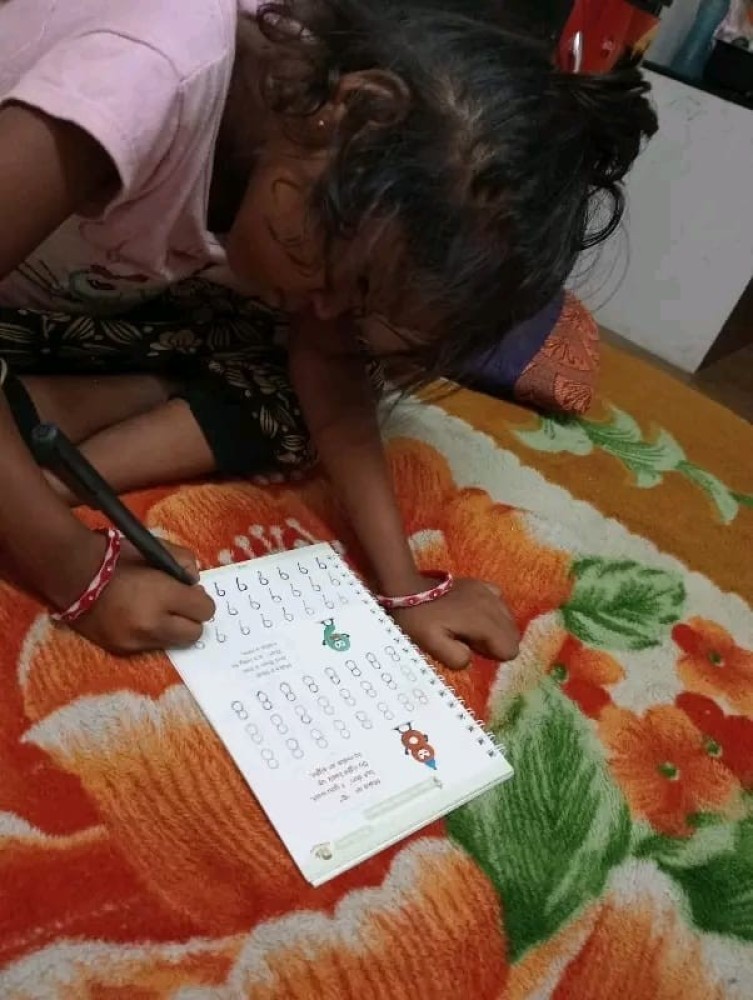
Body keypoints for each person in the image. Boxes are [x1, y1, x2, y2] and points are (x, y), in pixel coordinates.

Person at [0, 0, 657, 660]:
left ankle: (45, 469)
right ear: (350, 109)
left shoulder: (319, 161)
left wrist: (405, 587)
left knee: (304, 389)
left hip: (73, 292)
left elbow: (333, 365)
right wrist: (76, 569)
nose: (327, 311)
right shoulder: (150, 74)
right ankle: (30, 470)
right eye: (347, 280)